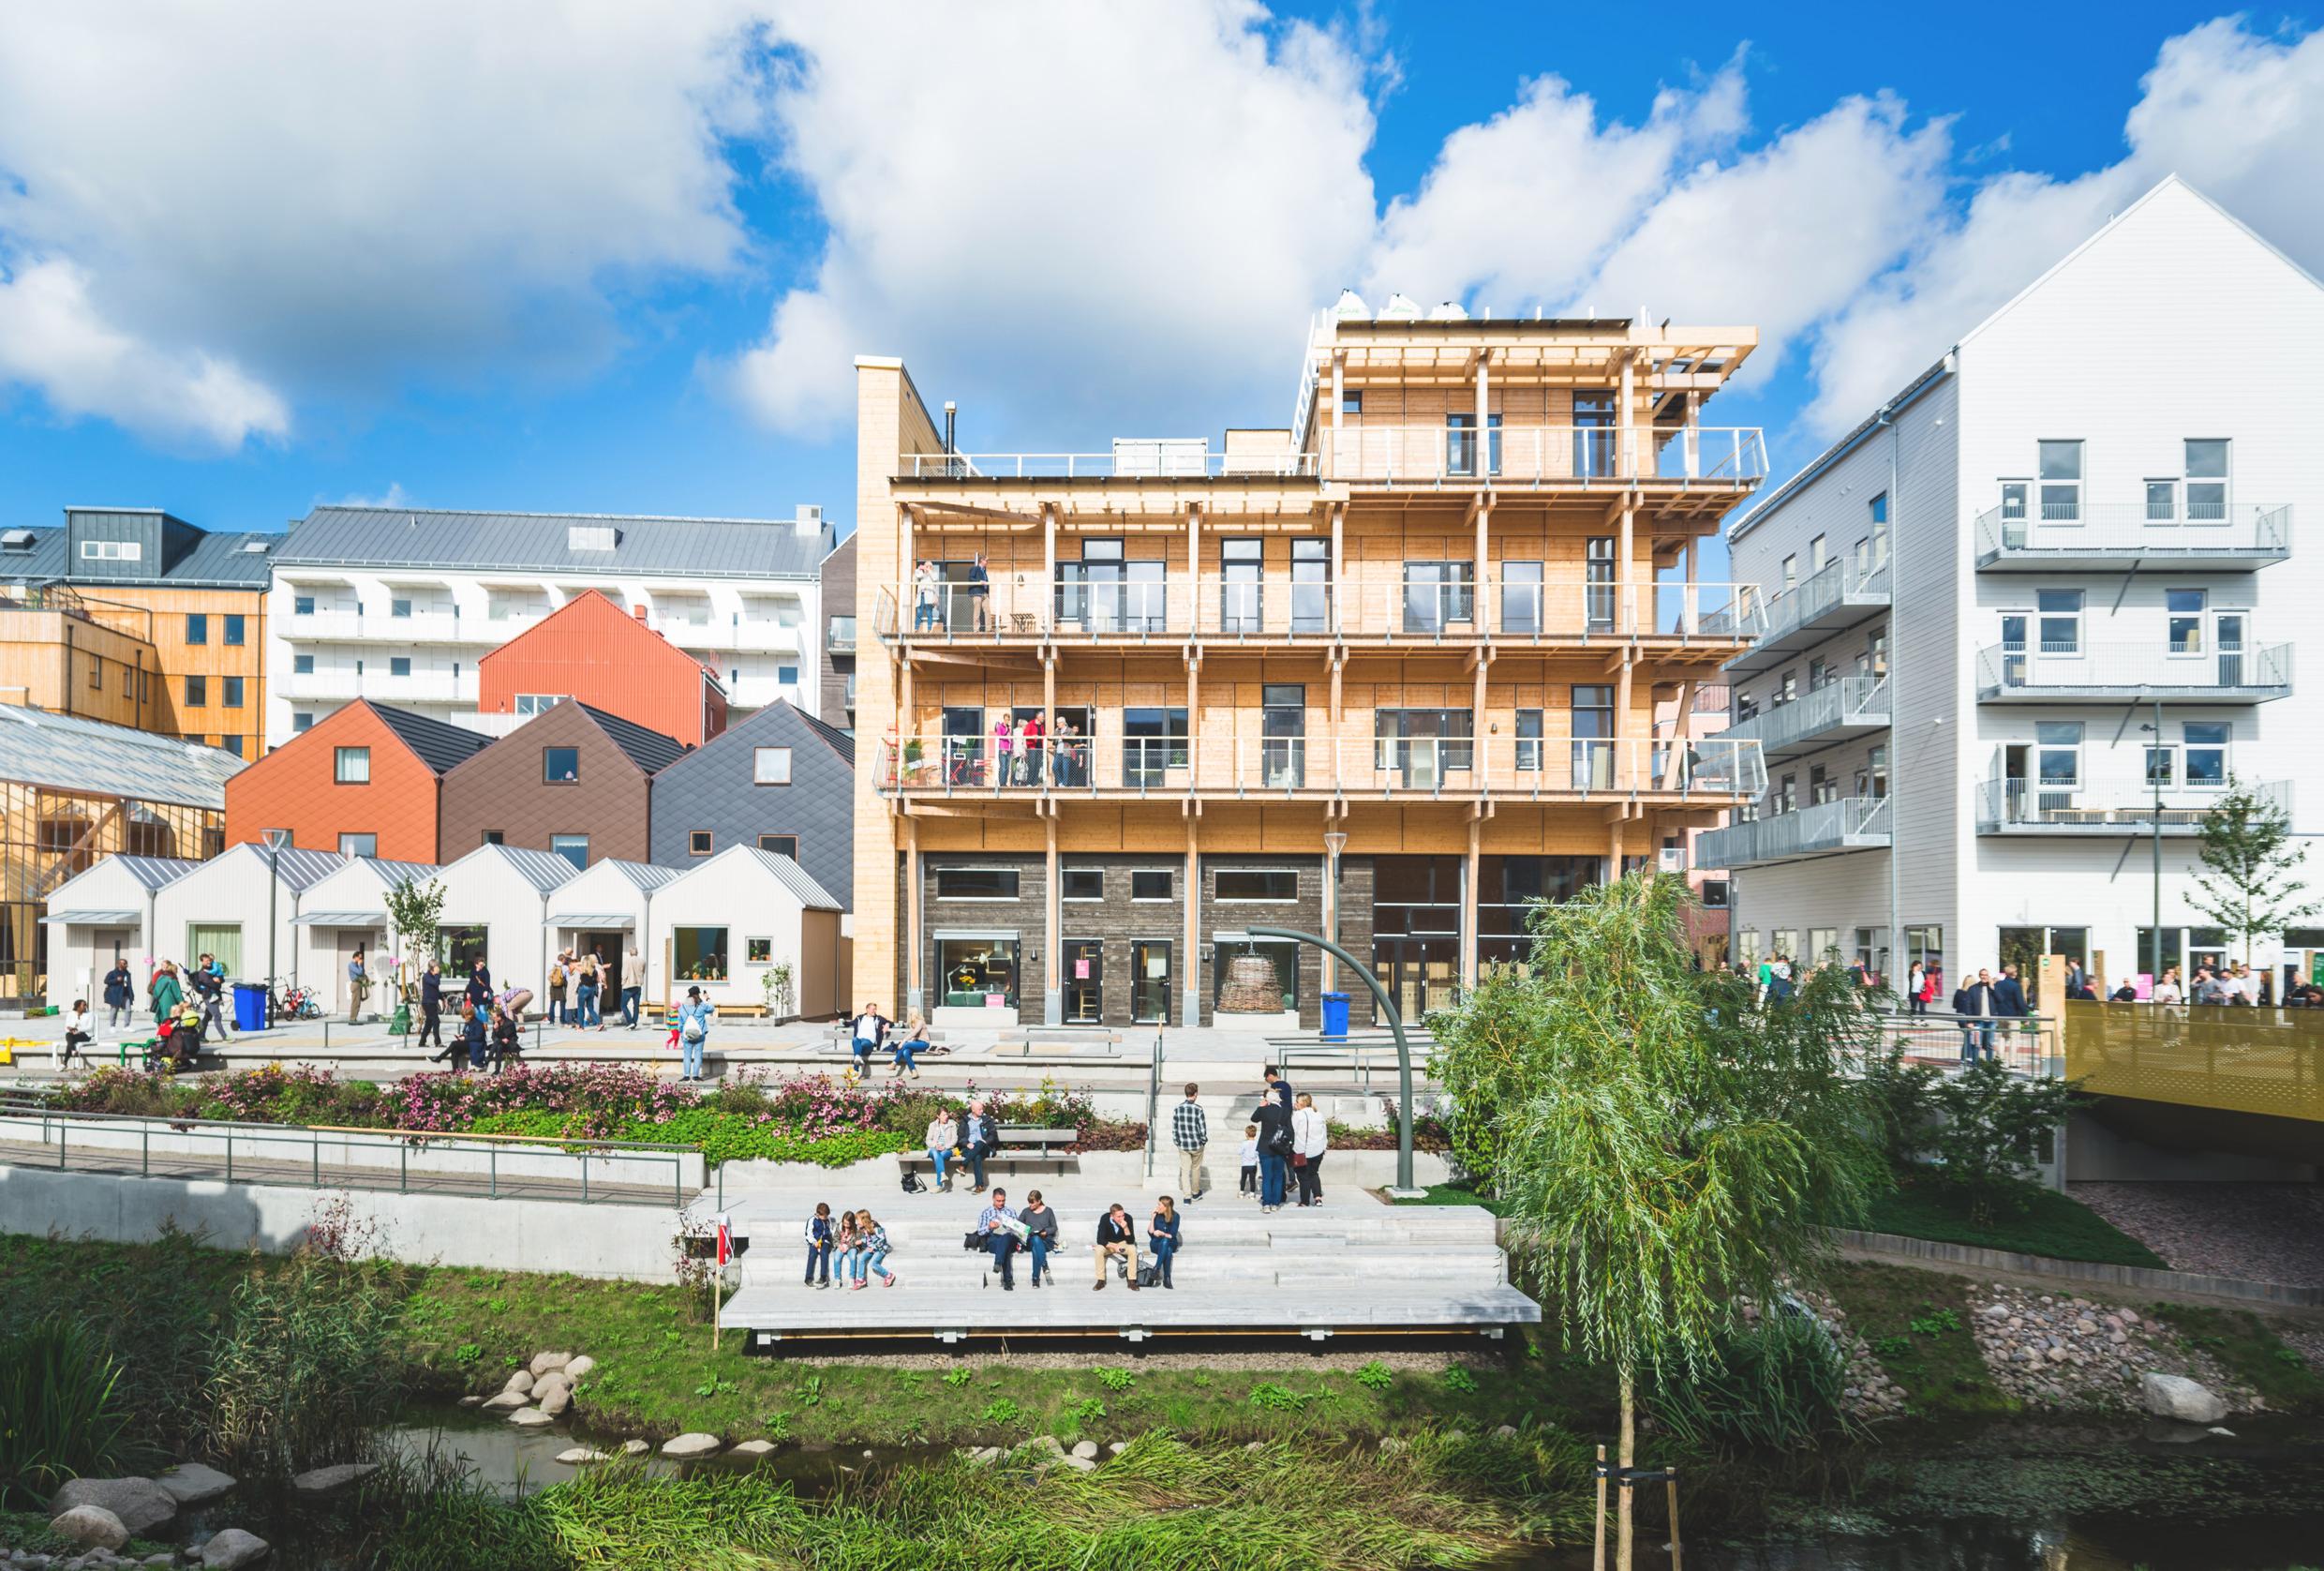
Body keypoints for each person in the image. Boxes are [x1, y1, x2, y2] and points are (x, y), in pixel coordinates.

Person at [1254, 1089, 1293, 1214]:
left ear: (1268, 1100)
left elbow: (1254, 1119)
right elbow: (1290, 1130)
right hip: (1280, 1148)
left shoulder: (1264, 1110)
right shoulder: (1285, 1111)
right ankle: (1275, 1204)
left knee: (1267, 1177)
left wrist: (1260, 1106)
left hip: (1265, 1147)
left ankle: (1266, 1204)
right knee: (1277, 1177)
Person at [977, 1187, 1023, 1291]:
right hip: (993, 1239)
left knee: (1006, 1238)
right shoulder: (986, 1212)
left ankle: (998, 1263)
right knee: (1004, 1247)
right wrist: (989, 1226)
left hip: (1010, 1237)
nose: (1001, 1203)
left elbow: (1019, 1229)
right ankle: (1008, 1281)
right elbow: (980, 1231)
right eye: (998, 1201)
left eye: (1003, 1200)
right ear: (993, 1199)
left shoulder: (1011, 1211)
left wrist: (1013, 1227)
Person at [1290, 1091, 1330, 1207]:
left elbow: (1293, 1132)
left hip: (1302, 1151)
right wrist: (1323, 1147)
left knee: (1303, 1177)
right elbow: (1324, 1132)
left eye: (1297, 1101)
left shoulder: (1298, 1115)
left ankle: (1304, 1201)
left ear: (1302, 1103)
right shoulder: (1319, 1114)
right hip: (1318, 1150)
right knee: (1314, 1174)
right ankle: (1318, 1198)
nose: (1295, 1104)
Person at [1953, 968, 2000, 1063]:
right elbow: (1968, 1006)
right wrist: (1970, 1021)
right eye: (1982, 975)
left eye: (1986, 975)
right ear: (1979, 976)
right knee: (1976, 1043)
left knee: (1989, 1043)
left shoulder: (1993, 988)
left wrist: (1992, 988)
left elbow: (2000, 999)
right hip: (1978, 1020)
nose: (1984, 976)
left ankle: (1989, 1064)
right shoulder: (1973, 989)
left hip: (1991, 1020)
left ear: (1988, 976)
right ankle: (1975, 1064)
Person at [1170, 1082, 1208, 1201]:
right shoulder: (1198, 1109)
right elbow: (1202, 1128)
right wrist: (1203, 1140)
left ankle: (1187, 1196)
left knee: (1185, 1171)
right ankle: (1195, 1193)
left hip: (1183, 1145)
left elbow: (1174, 1127)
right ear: (1195, 1094)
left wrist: (1177, 1141)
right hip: (1196, 1144)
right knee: (1196, 1169)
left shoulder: (1178, 1108)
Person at [1094, 1202, 1140, 1292]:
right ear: (1112, 1216)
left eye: (1122, 1215)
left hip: (1122, 1243)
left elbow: (1131, 1241)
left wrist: (1126, 1228)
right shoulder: (1105, 1218)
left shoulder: (1128, 1218)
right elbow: (1100, 1239)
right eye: (1118, 1216)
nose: (1122, 1218)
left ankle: (1131, 1281)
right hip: (1109, 1244)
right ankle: (1101, 1280)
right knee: (1098, 1249)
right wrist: (1114, 1246)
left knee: (1132, 1249)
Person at [849, 1209, 898, 1290]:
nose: (857, 1222)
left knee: (873, 1264)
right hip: (871, 1248)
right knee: (861, 1258)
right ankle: (861, 1279)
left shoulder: (875, 1227)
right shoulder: (863, 1228)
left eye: (858, 1220)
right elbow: (868, 1238)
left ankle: (889, 1276)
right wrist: (862, 1241)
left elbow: (882, 1239)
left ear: (864, 1220)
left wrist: (874, 1247)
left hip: (880, 1249)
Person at [1020, 1189, 1059, 1288]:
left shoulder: (1048, 1211)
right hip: (1030, 1240)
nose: (1030, 1205)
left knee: (1035, 1248)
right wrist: (1026, 1231)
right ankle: (1044, 1264)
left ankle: (1035, 1280)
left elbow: (1054, 1227)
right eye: (1029, 1203)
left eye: (1032, 1203)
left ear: (1039, 1201)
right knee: (1035, 1240)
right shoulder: (1026, 1211)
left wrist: (1046, 1232)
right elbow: (1018, 1225)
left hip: (1045, 1240)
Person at [677, 986, 713, 1082]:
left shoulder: (682, 1007)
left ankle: (686, 1076)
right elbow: (711, 1009)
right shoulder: (701, 1006)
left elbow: (680, 1024)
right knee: (698, 1055)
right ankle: (696, 1076)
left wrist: (682, 1033)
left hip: (687, 1036)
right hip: (700, 1035)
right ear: (698, 994)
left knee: (687, 1056)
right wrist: (707, 998)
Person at [961, 1100, 996, 1193]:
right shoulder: (965, 1120)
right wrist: (967, 1143)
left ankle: (964, 1164)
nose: (982, 1111)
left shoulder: (987, 1119)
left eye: (982, 1109)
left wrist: (985, 1141)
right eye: (979, 1109)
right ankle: (979, 1186)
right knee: (977, 1156)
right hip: (969, 1148)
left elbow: (993, 1135)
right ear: (973, 1110)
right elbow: (961, 1137)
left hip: (985, 1147)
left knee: (980, 1143)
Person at [192, 954, 231, 1042]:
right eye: (206, 961)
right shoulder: (203, 973)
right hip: (209, 997)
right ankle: (225, 1037)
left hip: (214, 996)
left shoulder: (211, 970)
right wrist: (216, 981)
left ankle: (201, 1037)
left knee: (207, 1017)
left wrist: (218, 980)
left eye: (209, 960)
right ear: (202, 961)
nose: (209, 962)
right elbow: (214, 985)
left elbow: (220, 979)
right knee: (217, 1016)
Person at [849, 1001, 892, 1078]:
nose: (875, 1011)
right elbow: (849, 1023)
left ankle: (855, 1071)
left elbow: (891, 1023)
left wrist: (887, 1024)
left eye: (875, 1009)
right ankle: (857, 1061)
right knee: (855, 1040)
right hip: (859, 1041)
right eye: (873, 1009)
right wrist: (842, 1021)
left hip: (869, 1044)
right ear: (867, 1009)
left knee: (861, 1045)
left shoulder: (878, 1018)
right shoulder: (859, 1018)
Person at [1147, 1195, 1182, 1289]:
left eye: (1159, 1205)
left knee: (1166, 1242)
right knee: (1168, 1251)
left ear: (1166, 1207)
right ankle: (1167, 1279)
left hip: (1171, 1242)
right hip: (1156, 1243)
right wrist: (1153, 1218)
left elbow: (1172, 1235)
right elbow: (1150, 1232)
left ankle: (1156, 1268)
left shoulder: (1176, 1216)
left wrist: (1162, 1233)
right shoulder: (1157, 1215)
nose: (1157, 1207)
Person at [803, 1202, 837, 1290]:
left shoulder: (828, 1220)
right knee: (812, 1255)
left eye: (827, 1215)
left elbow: (832, 1231)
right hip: (815, 1241)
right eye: (824, 1216)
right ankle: (808, 1278)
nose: (825, 1217)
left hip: (825, 1241)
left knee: (824, 1253)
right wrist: (814, 1242)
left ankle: (823, 1277)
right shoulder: (812, 1220)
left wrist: (832, 1240)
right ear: (818, 1214)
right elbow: (808, 1234)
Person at [925, 1108, 960, 1191]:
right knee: (935, 1152)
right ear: (938, 1116)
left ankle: (939, 1185)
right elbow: (928, 1140)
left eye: (947, 1114)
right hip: (934, 1149)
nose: (946, 1116)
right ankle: (942, 1175)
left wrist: (945, 1147)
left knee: (939, 1156)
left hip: (946, 1149)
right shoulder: (932, 1125)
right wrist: (935, 1145)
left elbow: (954, 1140)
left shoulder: (952, 1124)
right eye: (943, 1115)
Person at [417, 961, 444, 1055]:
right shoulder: (427, 976)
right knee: (436, 1021)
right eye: (437, 967)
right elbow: (436, 983)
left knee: (429, 1023)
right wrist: (437, 974)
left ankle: (422, 1042)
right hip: (428, 1003)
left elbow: (435, 989)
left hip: (433, 1002)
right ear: (433, 968)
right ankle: (438, 1042)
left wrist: (442, 998)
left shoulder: (434, 976)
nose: (439, 968)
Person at [891, 1012, 930, 1078]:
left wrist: (903, 1042)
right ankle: (914, 1071)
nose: (908, 1016)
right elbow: (913, 1037)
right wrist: (907, 1042)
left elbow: (913, 1033)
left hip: (924, 1044)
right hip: (916, 1044)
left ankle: (894, 1063)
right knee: (905, 1052)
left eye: (909, 1014)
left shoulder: (920, 1022)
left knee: (905, 1045)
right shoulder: (913, 1023)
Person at [59, 998, 94, 1070]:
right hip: (73, 1034)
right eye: (84, 1005)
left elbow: (90, 1027)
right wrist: (71, 1029)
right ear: (78, 1006)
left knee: (70, 1040)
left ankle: (66, 1062)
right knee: (69, 1035)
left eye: (86, 1005)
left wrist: (78, 1030)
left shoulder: (90, 1014)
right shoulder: (70, 1014)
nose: (85, 1006)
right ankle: (72, 1052)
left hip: (86, 1035)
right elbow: (66, 1026)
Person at [487, 1005, 523, 1072]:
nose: (493, 1018)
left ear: (500, 1016)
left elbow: (506, 1036)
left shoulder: (509, 1023)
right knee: (499, 1047)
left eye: (494, 1017)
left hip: (509, 1044)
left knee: (498, 1043)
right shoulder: (496, 1023)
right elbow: (493, 1036)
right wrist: (497, 1032)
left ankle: (488, 1059)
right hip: (500, 1044)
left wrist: (497, 1030)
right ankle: (497, 1070)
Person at [102, 957, 133, 1028]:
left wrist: (132, 994)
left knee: (128, 1010)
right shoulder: (112, 973)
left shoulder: (127, 974)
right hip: (115, 994)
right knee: (114, 1010)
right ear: (119, 964)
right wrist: (116, 980)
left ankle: (126, 1026)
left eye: (126, 963)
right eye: (124, 963)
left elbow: (129, 984)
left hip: (126, 994)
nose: (125, 965)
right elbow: (106, 981)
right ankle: (112, 1026)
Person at [149, 961, 183, 1027]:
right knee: (170, 1023)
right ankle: (168, 1036)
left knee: (161, 1022)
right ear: (173, 970)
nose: (177, 972)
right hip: (170, 1005)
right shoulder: (173, 980)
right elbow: (178, 995)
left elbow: (155, 991)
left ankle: (160, 1035)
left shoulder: (160, 978)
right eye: (176, 970)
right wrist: (183, 1003)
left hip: (160, 1004)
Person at [459, 1000, 487, 1072]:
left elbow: (478, 1037)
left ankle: (479, 1064)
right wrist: (462, 1035)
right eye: (464, 1016)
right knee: (454, 1044)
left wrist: (465, 1038)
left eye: (466, 1016)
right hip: (468, 1040)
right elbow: (466, 1032)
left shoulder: (477, 1023)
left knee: (473, 1045)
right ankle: (441, 1059)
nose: (465, 1018)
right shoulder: (467, 1023)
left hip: (477, 1041)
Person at [621, 941, 644, 1029]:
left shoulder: (627, 961)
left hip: (628, 985)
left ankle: (630, 1021)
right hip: (638, 985)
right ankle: (634, 1022)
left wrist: (623, 982)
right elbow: (643, 972)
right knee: (636, 1006)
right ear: (637, 952)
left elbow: (624, 974)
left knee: (623, 1005)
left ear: (630, 953)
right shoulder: (642, 961)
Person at [914, 558, 940, 633]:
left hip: (929, 595)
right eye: (926, 566)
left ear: (931, 567)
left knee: (929, 613)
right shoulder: (922, 575)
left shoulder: (933, 574)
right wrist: (919, 568)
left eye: (929, 566)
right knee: (919, 613)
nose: (927, 567)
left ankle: (929, 629)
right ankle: (916, 628)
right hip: (921, 594)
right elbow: (917, 575)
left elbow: (935, 578)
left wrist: (929, 570)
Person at [347, 944, 369, 1023]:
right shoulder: (351, 965)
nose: (360, 959)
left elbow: (363, 972)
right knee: (355, 1002)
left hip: (359, 984)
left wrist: (360, 965)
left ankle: (354, 1018)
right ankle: (352, 1018)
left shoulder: (357, 965)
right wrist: (360, 965)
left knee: (358, 1002)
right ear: (355, 957)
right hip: (355, 984)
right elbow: (360, 972)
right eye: (359, 958)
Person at [1239, 1122, 1260, 1198]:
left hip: (1245, 1164)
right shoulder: (1257, 1143)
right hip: (1253, 1165)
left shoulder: (1244, 1143)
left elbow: (1239, 1152)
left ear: (1247, 1134)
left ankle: (1241, 1192)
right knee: (1252, 1179)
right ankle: (1252, 1194)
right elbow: (1258, 1153)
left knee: (1243, 1178)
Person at [547, 951, 570, 1025]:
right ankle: (562, 1020)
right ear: (563, 960)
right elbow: (568, 978)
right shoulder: (565, 967)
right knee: (562, 1004)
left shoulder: (552, 966)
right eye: (565, 960)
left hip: (553, 987)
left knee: (552, 1003)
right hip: (561, 987)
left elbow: (549, 976)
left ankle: (551, 1020)